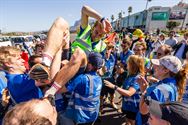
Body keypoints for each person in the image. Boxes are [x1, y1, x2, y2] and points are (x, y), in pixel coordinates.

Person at [29, 5, 112, 97]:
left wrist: (100, 70)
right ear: (94, 27)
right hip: (68, 56)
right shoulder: (85, 31)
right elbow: (84, 9)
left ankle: (52, 90)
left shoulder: (103, 46)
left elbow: (100, 68)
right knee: (60, 21)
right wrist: (102, 19)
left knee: (79, 53)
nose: (97, 36)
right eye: (96, 32)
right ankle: (45, 64)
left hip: (80, 67)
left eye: (101, 35)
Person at [137, 55, 187, 124]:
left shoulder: (159, 90)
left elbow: (143, 111)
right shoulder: (175, 84)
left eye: (158, 65)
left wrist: (144, 91)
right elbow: (158, 109)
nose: (154, 67)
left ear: (166, 70)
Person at [60, 52, 103, 125]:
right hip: (92, 115)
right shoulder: (99, 79)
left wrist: (67, 68)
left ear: (90, 65)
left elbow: (61, 90)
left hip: (81, 117)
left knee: (62, 117)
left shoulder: (82, 79)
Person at [104, 55, 145, 125]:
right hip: (127, 105)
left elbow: (129, 93)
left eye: (128, 63)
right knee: (127, 120)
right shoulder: (130, 75)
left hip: (134, 108)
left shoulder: (137, 78)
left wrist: (114, 86)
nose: (127, 65)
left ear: (133, 65)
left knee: (132, 122)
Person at [100, 45, 117, 113]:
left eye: (108, 49)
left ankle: (112, 102)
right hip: (103, 79)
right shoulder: (101, 58)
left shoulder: (113, 57)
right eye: (105, 49)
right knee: (101, 95)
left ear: (111, 50)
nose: (107, 51)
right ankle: (101, 106)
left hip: (111, 78)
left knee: (112, 93)